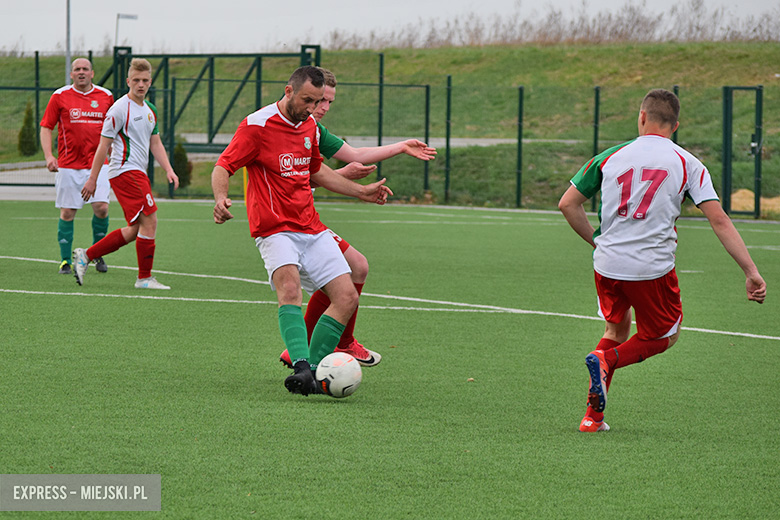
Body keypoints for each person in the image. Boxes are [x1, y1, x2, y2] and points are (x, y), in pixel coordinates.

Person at [558, 89, 766, 433]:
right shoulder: (687, 162)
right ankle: (606, 361)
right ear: (676, 126)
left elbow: (568, 203)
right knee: (665, 336)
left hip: (606, 264)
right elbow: (720, 220)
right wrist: (751, 271)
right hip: (651, 269)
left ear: (641, 117)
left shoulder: (609, 156)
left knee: (616, 328)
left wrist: (597, 242)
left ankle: (592, 418)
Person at [211, 66, 392, 396]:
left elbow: (317, 173)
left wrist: (361, 192)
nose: (312, 108)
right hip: (274, 229)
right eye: (308, 100)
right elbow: (224, 164)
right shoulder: (257, 125)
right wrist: (221, 197)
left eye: (318, 101)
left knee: (346, 295)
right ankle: (301, 368)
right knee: (290, 290)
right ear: (289, 90)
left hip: (310, 225)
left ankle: (318, 370)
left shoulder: (309, 126)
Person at [279, 67, 436, 368]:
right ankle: (327, 346)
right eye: (319, 100)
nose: (322, 108)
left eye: (329, 102)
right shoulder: (285, 126)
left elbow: (354, 155)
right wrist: (343, 176)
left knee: (357, 266)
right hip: (284, 226)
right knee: (334, 280)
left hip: (305, 220)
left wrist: (401, 146)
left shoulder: (312, 127)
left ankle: (335, 344)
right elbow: (291, 180)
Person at [73, 58, 179, 290]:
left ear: (150, 82)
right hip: (125, 170)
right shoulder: (119, 109)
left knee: (136, 229)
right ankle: (144, 278)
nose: (140, 84)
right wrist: (92, 179)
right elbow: (103, 146)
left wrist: (169, 169)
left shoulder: (150, 109)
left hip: (136, 172)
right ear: (128, 81)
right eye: (136, 80)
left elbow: (156, 142)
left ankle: (86, 255)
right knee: (150, 219)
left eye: (144, 80)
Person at [40, 58, 114, 275]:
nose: (81, 72)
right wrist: (48, 156)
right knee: (67, 212)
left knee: (102, 208)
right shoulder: (60, 96)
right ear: (71, 74)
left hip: (98, 165)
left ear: (92, 73)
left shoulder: (106, 96)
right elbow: (46, 127)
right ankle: (65, 260)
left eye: (85, 69)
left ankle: (97, 253)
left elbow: (116, 127)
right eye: (77, 69)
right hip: (68, 165)